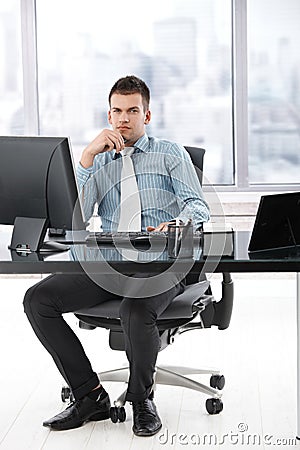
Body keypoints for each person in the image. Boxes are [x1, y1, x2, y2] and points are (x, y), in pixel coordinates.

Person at [23, 75, 210, 437]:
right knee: (38, 300)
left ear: (147, 115)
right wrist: (87, 158)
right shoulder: (100, 159)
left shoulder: (170, 153)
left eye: (133, 111)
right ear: (109, 115)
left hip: (163, 265)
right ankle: (89, 395)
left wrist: (173, 225)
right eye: (117, 111)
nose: (124, 118)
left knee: (135, 308)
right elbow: (74, 214)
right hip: (111, 265)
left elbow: (197, 206)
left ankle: (142, 399)